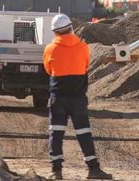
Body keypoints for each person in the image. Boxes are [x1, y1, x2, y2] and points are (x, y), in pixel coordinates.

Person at [43, 13, 113, 180]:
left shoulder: (49, 49)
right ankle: (93, 169)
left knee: (57, 132)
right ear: (71, 28)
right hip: (78, 97)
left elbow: (48, 69)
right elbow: (86, 66)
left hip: (58, 97)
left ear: (55, 32)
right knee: (83, 132)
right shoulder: (83, 46)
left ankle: (56, 171)